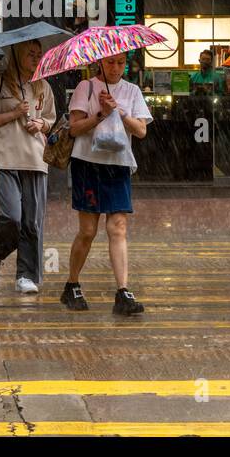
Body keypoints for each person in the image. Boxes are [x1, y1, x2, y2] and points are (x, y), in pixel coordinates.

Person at [60, 52, 153, 316]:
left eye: (121, 63)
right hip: (87, 163)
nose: (116, 68)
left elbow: (142, 130)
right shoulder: (85, 87)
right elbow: (74, 128)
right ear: (101, 62)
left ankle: (123, 291)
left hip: (119, 164)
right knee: (88, 230)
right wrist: (101, 113)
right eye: (111, 62)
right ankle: (72, 283)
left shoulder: (132, 90)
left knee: (118, 227)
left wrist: (120, 112)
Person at [0, 39, 56, 294]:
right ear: (16, 55)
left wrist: (41, 125)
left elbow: (50, 120)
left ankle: (26, 275)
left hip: (35, 159)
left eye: (39, 54)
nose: (36, 58)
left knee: (32, 222)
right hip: (3, 158)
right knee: (13, 216)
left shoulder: (43, 86)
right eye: (30, 54)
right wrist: (14, 113)